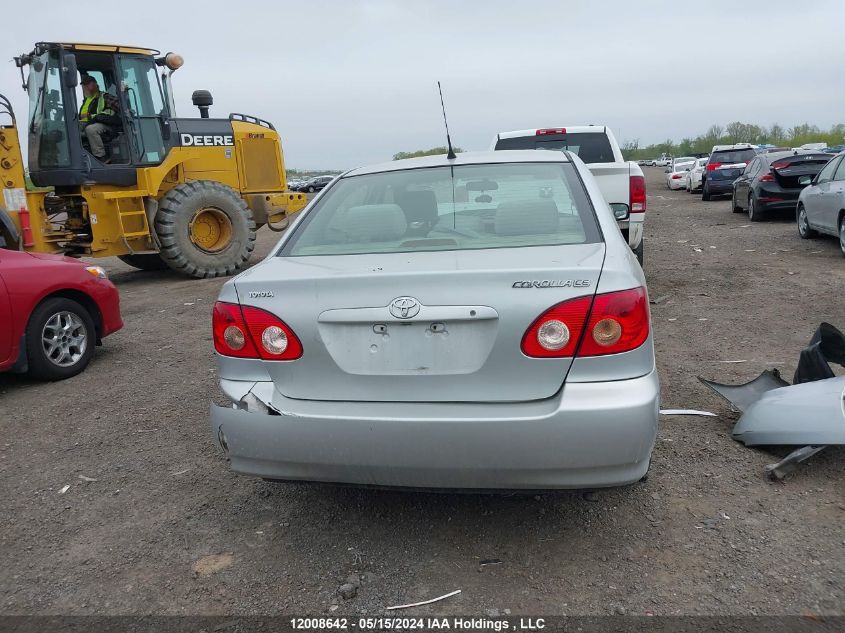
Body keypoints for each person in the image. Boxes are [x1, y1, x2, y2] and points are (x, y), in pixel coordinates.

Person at [79, 76, 121, 163]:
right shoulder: (87, 100)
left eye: (87, 86)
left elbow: (120, 107)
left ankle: (101, 156)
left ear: (94, 85)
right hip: (88, 122)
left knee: (91, 129)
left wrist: (98, 117)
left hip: (105, 124)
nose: (84, 88)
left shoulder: (105, 96)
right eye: (83, 87)